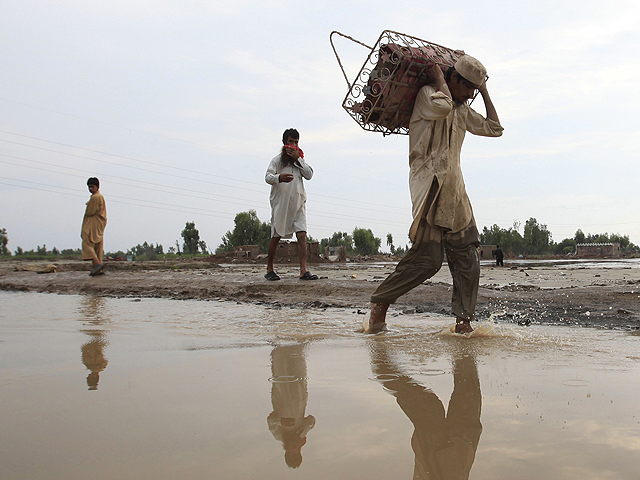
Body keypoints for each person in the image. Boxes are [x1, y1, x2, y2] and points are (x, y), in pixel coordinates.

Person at [364, 55, 503, 334]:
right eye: (469, 87)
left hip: (455, 191)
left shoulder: (462, 110)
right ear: (454, 79)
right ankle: (380, 302)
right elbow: (443, 107)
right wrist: (439, 79)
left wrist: (485, 90)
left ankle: (463, 323)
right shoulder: (429, 95)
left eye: (475, 90)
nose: (471, 94)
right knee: (427, 259)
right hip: (430, 185)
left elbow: (495, 128)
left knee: (467, 257)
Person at [264, 128, 318, 281]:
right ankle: (269, 269)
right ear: (284, 143)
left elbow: (309, 175)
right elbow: (268, 177)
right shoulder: (277, 160)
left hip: (298, 203)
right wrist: (279, 178)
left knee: (302, 235)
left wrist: (298, 160)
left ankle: (303, 270)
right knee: (276, 235)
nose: (293, 145)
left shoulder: (299, 162)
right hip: (281, 204)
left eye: (296, 142)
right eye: (291, 142)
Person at [81, 177, 107, 276]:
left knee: (87, 242)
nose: (90, 189)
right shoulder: (100, 197)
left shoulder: (95, 197)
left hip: (93, 223)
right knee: (97, 246)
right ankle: (98, 270)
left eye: (92, 187)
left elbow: (90, 211)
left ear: (97, 187)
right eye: (89, 187)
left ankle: (97, 264)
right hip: (99, 224)